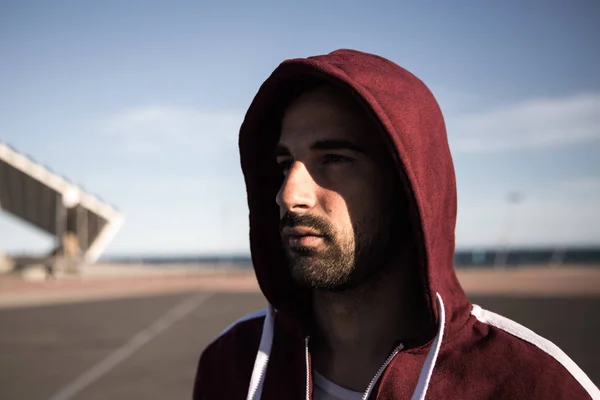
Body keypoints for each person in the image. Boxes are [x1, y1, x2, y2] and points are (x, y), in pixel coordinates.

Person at [193, 49, 598, 399]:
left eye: (334, 159)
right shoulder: (233, 363)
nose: (288, 194)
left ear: (408, 187)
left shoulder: (533, 384)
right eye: (284, 165)